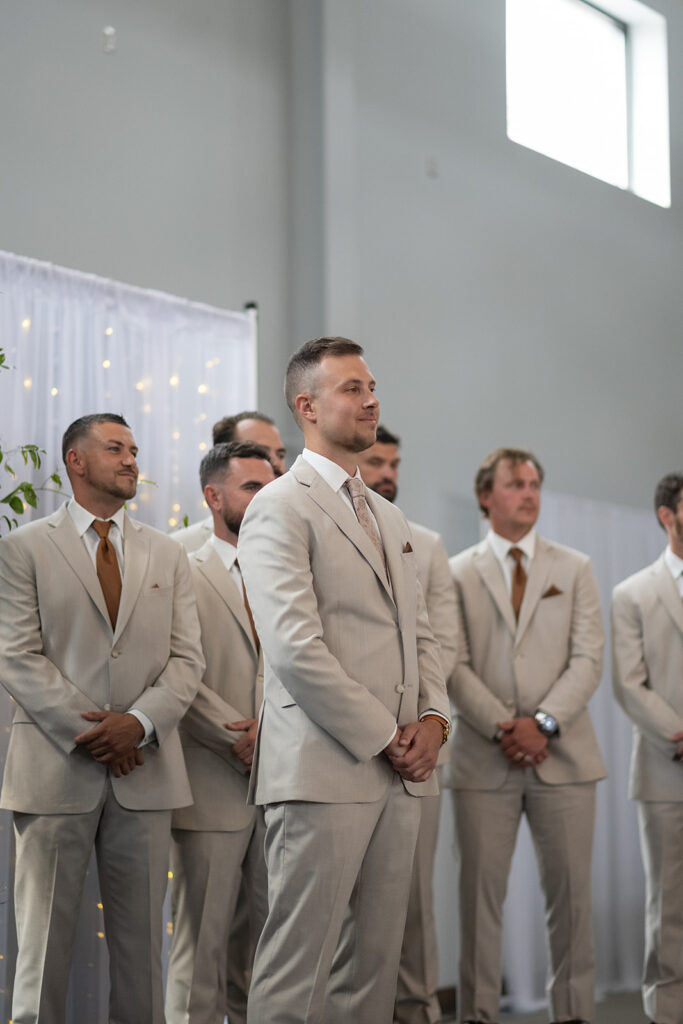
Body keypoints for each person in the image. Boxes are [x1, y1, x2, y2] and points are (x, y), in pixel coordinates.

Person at [237, 336, 450, 1024]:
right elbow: (295, 647)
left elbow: (421, 636)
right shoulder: (279, 504)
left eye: (372, 386)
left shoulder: (389, 517)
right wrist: (387, 733)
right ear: (307, 405)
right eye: (352, 388)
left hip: (398, 773)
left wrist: (434, 722)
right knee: (295, 971)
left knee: (372, 974)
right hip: (322, 769)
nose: (371, 399)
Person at [0, 413, 204, 1024]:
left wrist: (138, 724)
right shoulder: (23, 548)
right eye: (115, 448)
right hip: (54, 769)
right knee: (41, 955)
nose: (131, 460)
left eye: (135, 449)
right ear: (75, 460)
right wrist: (94, 734)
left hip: (146, 775)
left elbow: (188, 659)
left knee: (144, 956)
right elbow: (16, 654)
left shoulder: (168, 552)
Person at [449, 447, 605, 1024]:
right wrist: (502, 727)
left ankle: (573, 1015)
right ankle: (478, 1015)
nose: (529, 493)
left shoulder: (575, 568)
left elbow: (589, 659)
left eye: (535, 483)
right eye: (516, 484)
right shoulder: (458, 570)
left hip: (564, 757)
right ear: (486, 496)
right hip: (481, 759)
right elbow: (452, 662)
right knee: (478, 903)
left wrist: (541, 725)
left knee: (571, 904)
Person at [165, 441, 275, 1024]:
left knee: (270, 951)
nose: (267, 498)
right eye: (253, 487)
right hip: (210, 780)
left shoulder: (291, 569)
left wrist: (278, 733)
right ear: (214, 496)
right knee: (200, 948)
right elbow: (173, 666)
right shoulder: (181, 566)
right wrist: (239, 734)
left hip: (284, 783)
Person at [357, 424, 457, 1024]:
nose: (388, 471)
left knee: (415, 905)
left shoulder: (425, 542)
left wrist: (432, 724)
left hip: (417, 747)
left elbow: (437, 644)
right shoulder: (308, 522)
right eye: (376, 460)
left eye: (394, 461)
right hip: (345, 742)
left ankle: (418, 1013)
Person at [612, 472, 683, 1024]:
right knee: (670, 909)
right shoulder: (633, 593)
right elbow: (628, 684)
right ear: (668, 516)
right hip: (665, 770)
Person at [173, 410, 286, 552]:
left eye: (280, 454)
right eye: (258, 451)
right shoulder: (182, 548)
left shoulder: (299, 536)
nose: (274, 463)